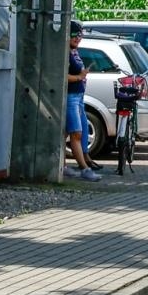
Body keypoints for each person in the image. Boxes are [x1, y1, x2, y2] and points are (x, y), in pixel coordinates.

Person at [63, 21, 101, 182]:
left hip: (78, 97)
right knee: (76, 133)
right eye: (75, 35)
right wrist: (78, 77)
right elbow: (61, 74)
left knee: (69, 132)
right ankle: (84, 168)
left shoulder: (74, 52)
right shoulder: (64, 52)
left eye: (81, 35)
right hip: (71, 97)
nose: (78, 38)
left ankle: (62, 165)